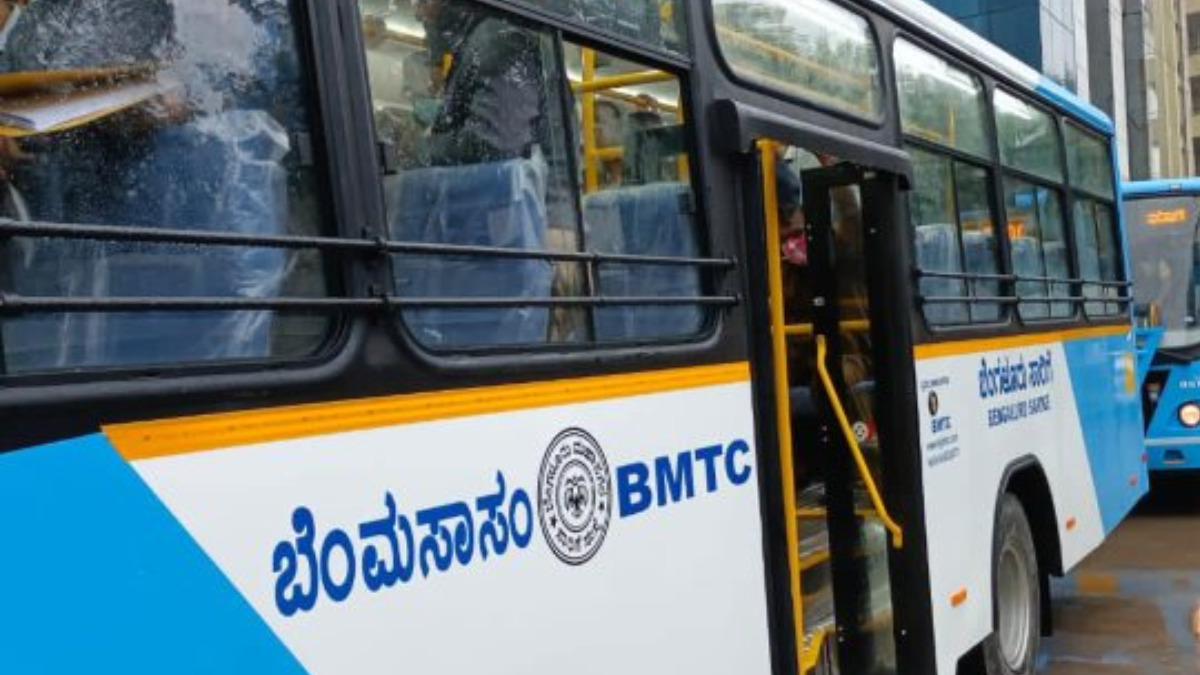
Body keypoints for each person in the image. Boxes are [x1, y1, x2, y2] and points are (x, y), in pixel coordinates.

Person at [418, 0, 549, 166]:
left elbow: (492, 147)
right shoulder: (477, 42)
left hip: (525, 190)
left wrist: (418, 149)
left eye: (423, 1)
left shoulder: (498, 41)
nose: (419, 13)